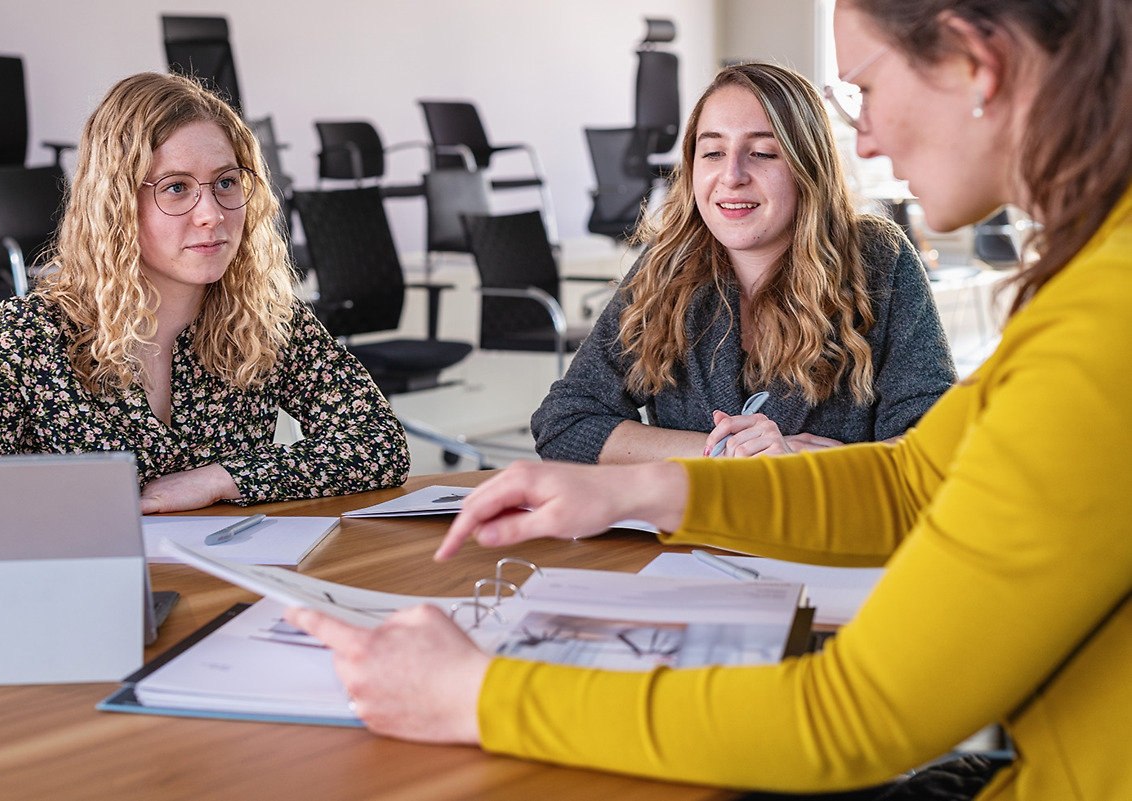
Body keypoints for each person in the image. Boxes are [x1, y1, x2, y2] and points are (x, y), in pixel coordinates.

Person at [288, 2, 1132, 799]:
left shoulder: (1099, 325)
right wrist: (642, 486)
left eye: (865, 89)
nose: (864, 136)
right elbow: (915, 478)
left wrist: (474, 693)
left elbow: (852, 716)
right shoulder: (1094, 280)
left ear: (977, 63)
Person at [0, 73, 409, 513]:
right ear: (118, 205)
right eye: (176, 187)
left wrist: (221, 479)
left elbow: (378, 442)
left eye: (226, 182)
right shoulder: (36, 334)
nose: (212, 213)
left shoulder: (266, 318)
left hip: (229, 585)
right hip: (88, 594)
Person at [533, 62, 954, 464]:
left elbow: (937, 444)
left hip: (831, 529)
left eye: (763, 153)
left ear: (808, 166)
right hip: (692, 532)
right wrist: (726, 453)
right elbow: (564, 421)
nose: (732, 174)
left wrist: (819, 463)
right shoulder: (668, 262)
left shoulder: (878, 257)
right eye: (713, 152)